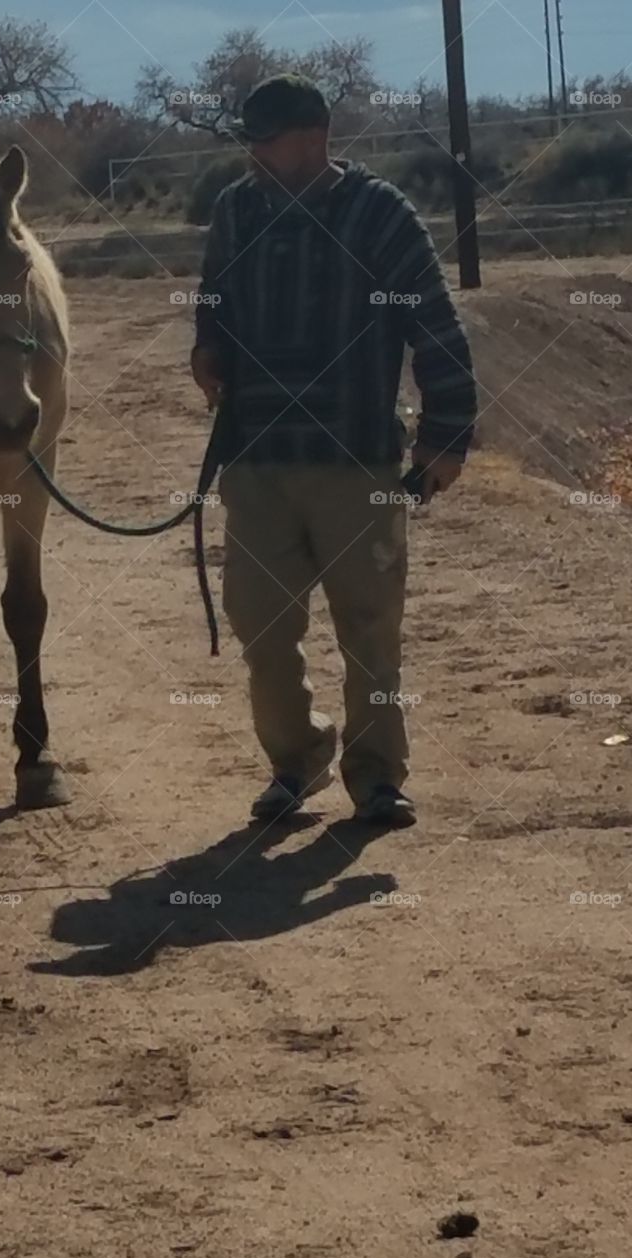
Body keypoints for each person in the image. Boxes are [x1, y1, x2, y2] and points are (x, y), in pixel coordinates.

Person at [191, 73, 477, 826]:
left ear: (314, 138)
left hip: (358, 463)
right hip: (255, 459)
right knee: (260, 624)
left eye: (266, 140)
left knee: (370, 630)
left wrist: (446, 437)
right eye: (249, 141)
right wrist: (208, 347)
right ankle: (297, 762)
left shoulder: (380, 215)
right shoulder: (235, 210)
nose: (253, 155)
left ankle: (378, 778)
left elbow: (436, 327)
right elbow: (212, 299)